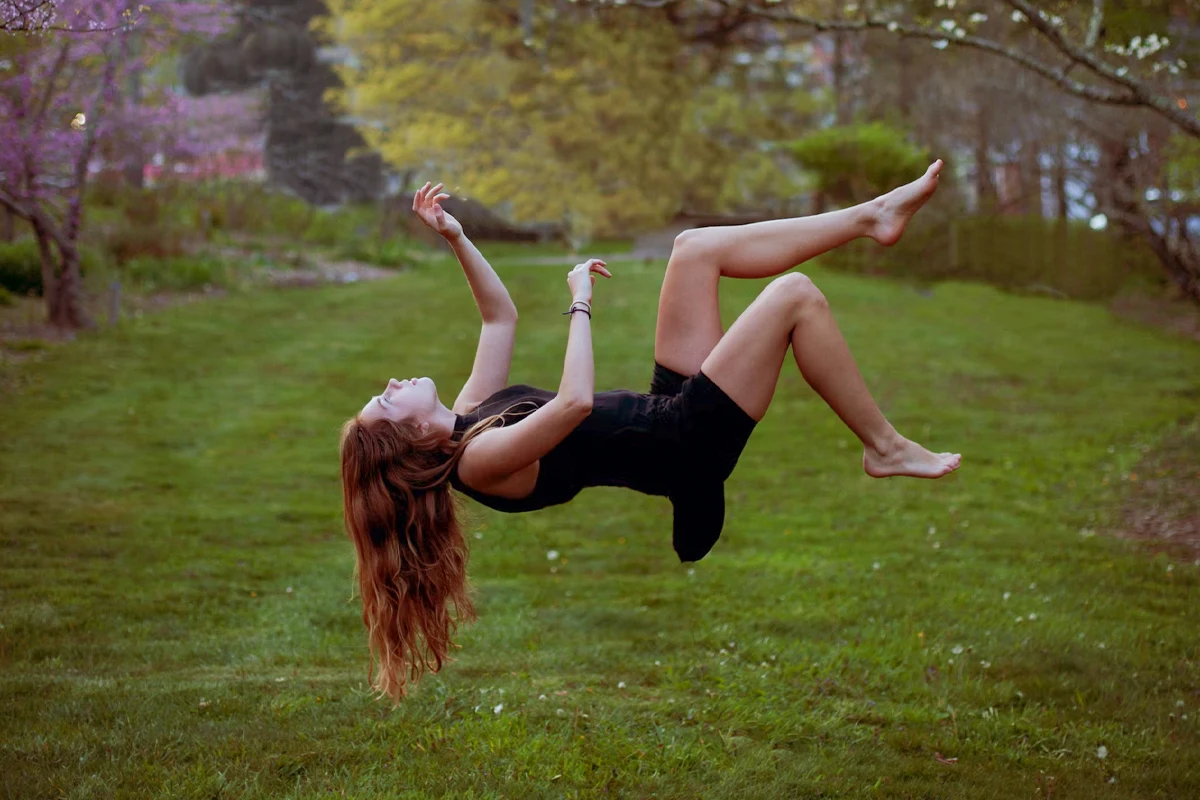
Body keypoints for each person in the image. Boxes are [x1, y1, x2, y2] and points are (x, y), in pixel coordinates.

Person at [340, 164, 961, 701]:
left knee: (693, 247)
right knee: (793, 297)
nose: (392, 384)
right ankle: (883, 446)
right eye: (385, 401)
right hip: (687, 444)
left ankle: (872, 217)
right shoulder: (479, 462)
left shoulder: (471, 413)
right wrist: (580, 301)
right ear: (412, 438)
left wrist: (456, 236)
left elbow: (499, 315)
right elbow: (574, 403)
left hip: (667, 410)